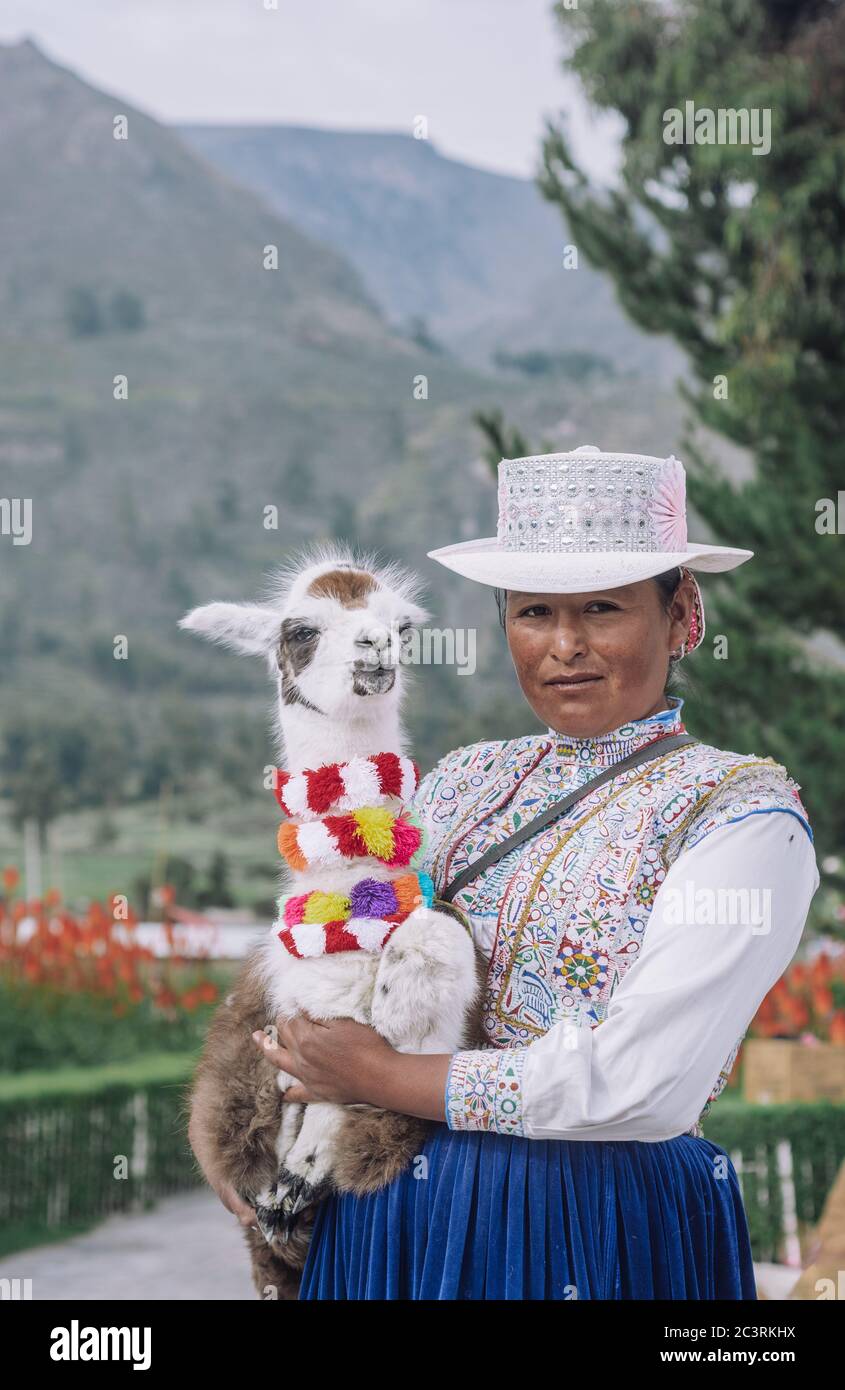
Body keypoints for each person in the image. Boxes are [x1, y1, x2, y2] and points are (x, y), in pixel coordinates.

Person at [241, 445, 819, 1299]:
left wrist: (381, 1078)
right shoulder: (462, 782)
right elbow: (343, 952)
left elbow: (642, 1085)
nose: (565, 646)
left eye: (601, 609)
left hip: (585, 1225)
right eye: (534, 611)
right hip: (386, 1216)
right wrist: (252, 1141)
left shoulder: (741, 818)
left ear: (682, 615)